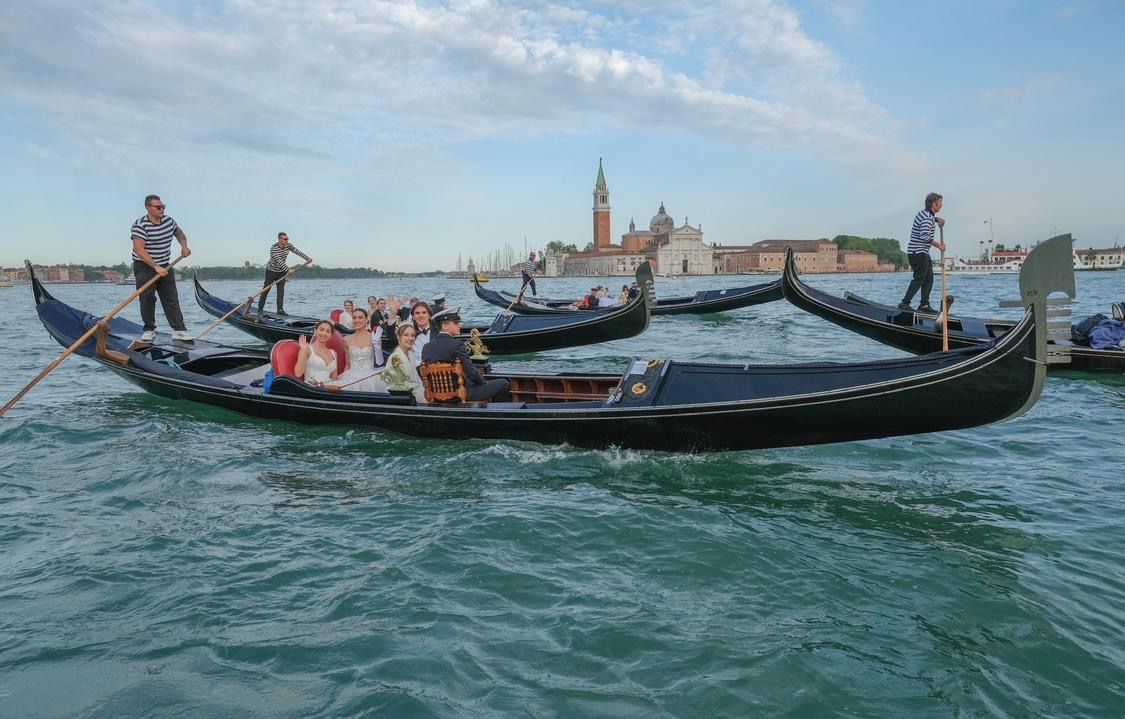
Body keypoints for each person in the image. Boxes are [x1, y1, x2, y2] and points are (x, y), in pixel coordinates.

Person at [130, 194, 192, 342]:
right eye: (158, 207)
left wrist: (184, 247)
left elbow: (180, 234)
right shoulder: (140, 225)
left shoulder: (169, 221)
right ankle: (149, 329)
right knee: (147, 298)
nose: (162, 209)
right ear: (148, 208)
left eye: (163, 206)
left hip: (165, 264)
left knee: (171, 297)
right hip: (144, 265)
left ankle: (179, 330)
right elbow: (139, 249)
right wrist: (155, 266)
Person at [422, 307, 510, 402]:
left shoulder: (426, 348)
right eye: (456, 323)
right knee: (504, 383)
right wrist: (484, 383)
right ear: (444, 326)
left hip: (437, 397)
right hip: (461, 394)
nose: (459, 326)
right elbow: (472, 373)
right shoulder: (458, 345)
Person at [899, 192, 946, 313]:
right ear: (933, 204)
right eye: (940, 203)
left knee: (929, 278)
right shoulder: (926, 217)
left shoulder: (927, 215)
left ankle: (924, 305)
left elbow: (929, 219)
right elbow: (924, 236)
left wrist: (937, 220)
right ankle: (905, 303)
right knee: (919, 278)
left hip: (921, 252)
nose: (941, 206)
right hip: (918, 253)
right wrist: (939, 246)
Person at [330, 307, 387, 392]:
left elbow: (379, 362)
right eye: (354, 318)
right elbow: (347, 366)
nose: (357, 320)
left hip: (370, 375)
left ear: (366, 320)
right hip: (351, 375)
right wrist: (341, 379)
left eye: (360, 318)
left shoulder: (374, 337)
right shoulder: (346, 339)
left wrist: (378, 346)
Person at [257, 232, 312, 316]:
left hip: (281, 272)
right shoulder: (274, 249)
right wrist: (288, 269)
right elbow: (279, 261)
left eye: (287, 239)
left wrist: (307, 258)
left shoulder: (288, 246)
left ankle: (280, 310)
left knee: (281, 291)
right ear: (280, 240)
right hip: (271, 271)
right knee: (266, 290)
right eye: (285, 239)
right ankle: (260, 310)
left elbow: (297, 251)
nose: (287, 240)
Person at [382, 324, 427, 403]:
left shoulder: (410, 354)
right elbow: (398, 386)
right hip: (405, 399)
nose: (410, 338)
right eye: (406, 335)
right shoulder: (395, 358)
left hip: (417, 394)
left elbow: (416, 379)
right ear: (399, 337)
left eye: (413, 335)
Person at [294, 320, 338, 387]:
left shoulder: (334, 353)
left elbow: (334, 378)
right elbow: (298, 373)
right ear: (315, 331)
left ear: (331, 335)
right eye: (321, 330)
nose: (324, 333)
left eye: (328, 331)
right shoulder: (307, 349)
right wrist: (303, 350)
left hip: (329, 388)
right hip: (312, 388)